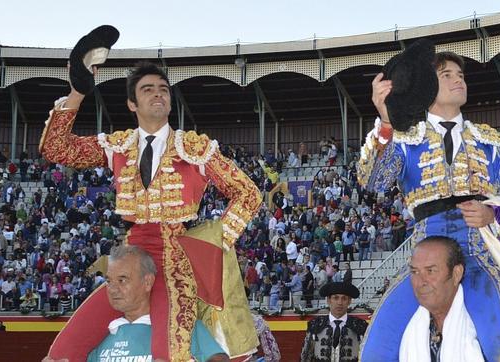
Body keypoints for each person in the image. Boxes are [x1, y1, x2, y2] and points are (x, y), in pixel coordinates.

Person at [40, 31, 261, 361]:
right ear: (132, 103)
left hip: (177, 265)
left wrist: (215, 242)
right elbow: (56, 148)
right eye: (147, 90)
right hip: (130, 262)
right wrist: (77, 93)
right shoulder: (118, 146)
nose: (158, 95)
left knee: (169, 352)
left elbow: (248, 193)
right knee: (62, 352)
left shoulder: (194, 148)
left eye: (163, 90)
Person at [357, 45, 500, 361]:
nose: (458, 80)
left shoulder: (492, 142)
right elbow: (373, 182)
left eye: (461, 75)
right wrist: (386, 122)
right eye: (447, 75)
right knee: (377, 345)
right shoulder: (404, 140)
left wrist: (493, 212)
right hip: (424, 256)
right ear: (427, 86)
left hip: (478, 253)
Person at [82, 245, 227, 362]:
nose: (112, 289)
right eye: (109, 281)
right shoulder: (100, 335)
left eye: (122, 280)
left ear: (147, 282)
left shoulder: (181, 326)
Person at [300, 282, 367, 361]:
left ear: (349, 301)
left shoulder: (360, 326)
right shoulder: (315, 324)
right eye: (336, 298)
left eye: (344, 298)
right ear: (329, 300)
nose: (340, 303)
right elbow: (305, 358)